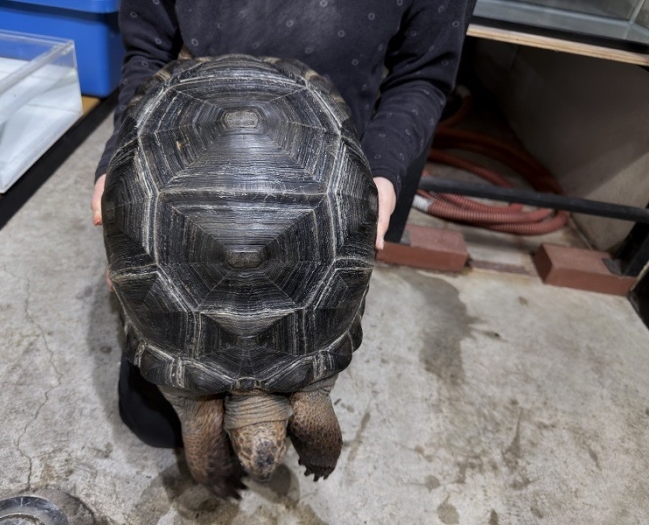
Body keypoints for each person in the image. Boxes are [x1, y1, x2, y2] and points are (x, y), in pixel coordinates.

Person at [91, 0, 472, 449]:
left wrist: (382, 171)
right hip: (186, 134)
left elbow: (424, 74)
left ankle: (254, 418)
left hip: (322, 156)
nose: (263, 461)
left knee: (292, 408)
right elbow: (147, 52)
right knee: (156, 426)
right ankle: (215, 418)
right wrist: (118, 169)